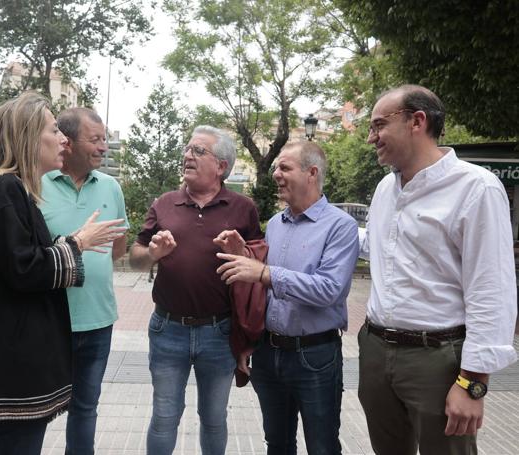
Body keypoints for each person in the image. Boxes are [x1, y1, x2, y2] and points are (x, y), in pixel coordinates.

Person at [0, 92, 126, 454]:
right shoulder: (5, 189)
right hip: (15, 354)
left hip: (23, 348)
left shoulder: (16, 189)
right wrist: (76, 244)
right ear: (27, 136)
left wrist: (71, 242)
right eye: (54, 129)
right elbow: (24, 268)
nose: (62, 139)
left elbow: (22, 257)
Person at [358, 84, 518, 454]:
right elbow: (376, 248)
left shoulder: (476, 188)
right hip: (376, 351)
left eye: (379, 125)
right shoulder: (386, 189)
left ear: (417, 120)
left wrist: (473, 384)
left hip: (438, 360)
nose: (371, 137)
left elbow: (491, 290)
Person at [216, 141, 360, 455]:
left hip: (315, 356)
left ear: (312, 173)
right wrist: (248, 343)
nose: (276, 174)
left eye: (285, 167)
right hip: (268, 353)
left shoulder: (341, 226)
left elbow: (328, 290)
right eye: (276, 168)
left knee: (322, 446)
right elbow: (261, 290)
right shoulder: (276, 225)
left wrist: (264, 273)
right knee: (277, 443)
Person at [129, 125, 262, 455]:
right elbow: (134, 260)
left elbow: (256, 269)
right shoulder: (164, 203)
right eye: (187, 149)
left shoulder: (243, 208)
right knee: (164, 416)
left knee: (214, 418)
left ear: (221, 166)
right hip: (167, 329)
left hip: (219, 332)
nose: (188, 155)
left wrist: (242, 251)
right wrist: (152, 255)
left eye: (198, 151)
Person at [40, 107, 128, 455]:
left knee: (85, 408)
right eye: (95, 139)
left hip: (98, 321)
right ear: (68, 141)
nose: (103, 147)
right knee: (36, 409)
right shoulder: (37, 183)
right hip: (48, 322)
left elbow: (117, 249)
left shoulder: (111, 187)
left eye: (105, 139)